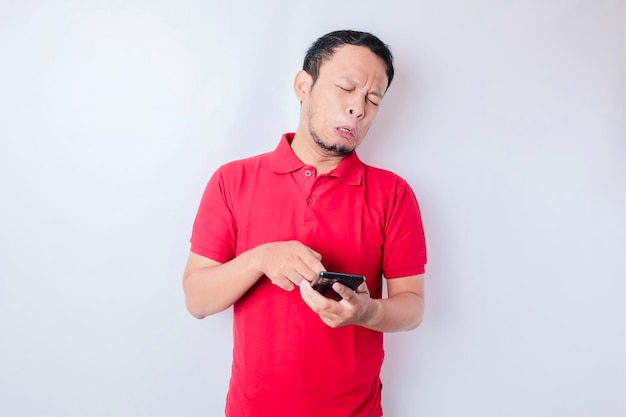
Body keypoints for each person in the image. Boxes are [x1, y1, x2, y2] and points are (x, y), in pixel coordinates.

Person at [183, 29, 427, 417]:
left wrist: (368, 313)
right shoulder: (232, 180)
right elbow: (197, 300)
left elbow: (412, 306)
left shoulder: (393, 194)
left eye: (373, 100)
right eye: (346, 87)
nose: (358, 108)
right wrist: (259, 259)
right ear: (304, 85)